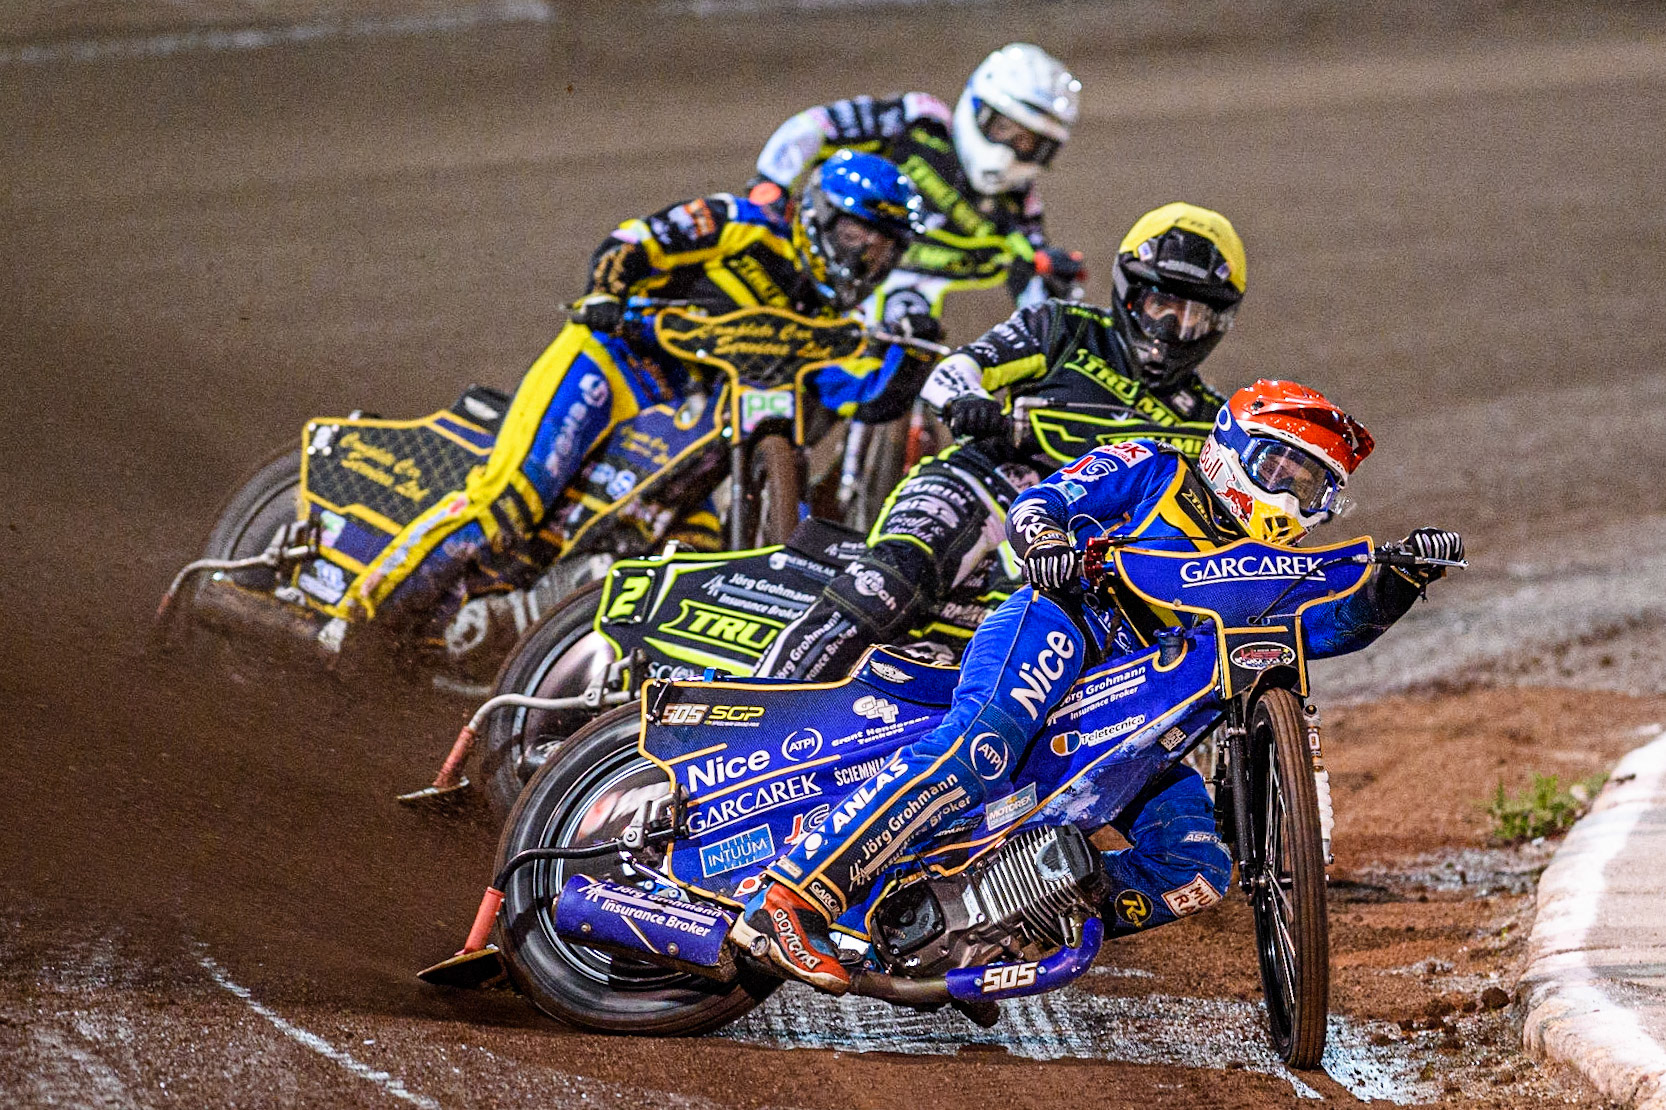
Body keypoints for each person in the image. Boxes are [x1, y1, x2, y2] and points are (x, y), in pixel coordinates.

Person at [732, 378, 1466, 993]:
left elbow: (1331, 629)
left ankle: (981, 924)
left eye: (1314, 489)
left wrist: (1395, 584)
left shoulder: (1269, 571)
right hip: (1061, 628)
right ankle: (789, 894)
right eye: (1281, 470)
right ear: (1229, 450)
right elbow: (1041, 503)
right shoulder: (1154, 467)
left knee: (1197, 871)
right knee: (985, 744)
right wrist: (1047, 543)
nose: (1291, 498)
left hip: (1143, 718)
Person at [348, 150, 927, 643]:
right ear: (822, 214)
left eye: (883, 252)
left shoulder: (830, 319)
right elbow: (636, 238)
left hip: (683, 427)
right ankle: (358, 623)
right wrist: (606, 291)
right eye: (857, 239)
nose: (867, 262)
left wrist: (915, 355)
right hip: (612, 364)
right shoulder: (741, 222)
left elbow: (862, 399)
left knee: (688, 559)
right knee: (510, 500)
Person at [753, 201, 1242, 683]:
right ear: (1131, 294)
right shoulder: (1061, 328)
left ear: (1218, 323)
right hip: (984, 483)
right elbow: (958, 369)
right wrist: (968, 400)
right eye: (1162, 305)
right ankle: (761, 703)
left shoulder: (1209, 420)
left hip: (1079, 547)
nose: (1172, 330)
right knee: (887, 581)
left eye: (1193, 315)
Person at [752, 43, 1086, 335]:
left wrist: (1055, 284)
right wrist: (771, 185)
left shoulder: (1018, 204)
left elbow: (1036, 280)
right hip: (816, 277)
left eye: (1031, 143)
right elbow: (817, 125)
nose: (1012, 151)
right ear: (977, 108)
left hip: (898, 318)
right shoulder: (918, 122)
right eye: (1004, 128)